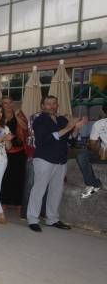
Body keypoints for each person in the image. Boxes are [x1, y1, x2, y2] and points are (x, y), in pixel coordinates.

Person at [27, 95, 86, 232]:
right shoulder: (39, 120)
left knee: (56, 191)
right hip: (44, 159)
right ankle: (32, 219)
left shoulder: (62, 119)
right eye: (48, 104)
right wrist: (68, 127)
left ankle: (52, 219)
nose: (52, 106)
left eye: (54, 103)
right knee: (39, 190)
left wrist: (76, 128)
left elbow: (70, 140)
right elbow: (43, 140)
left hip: (60, 159)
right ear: (42, 106)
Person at [0, 97, 28, 209]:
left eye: (10, 102)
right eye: (5, 103)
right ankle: (4, 201)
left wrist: (16, 116)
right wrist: (4, 122)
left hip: (19, 151)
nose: (8, 105)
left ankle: (18, 202)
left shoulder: (19, 114)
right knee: (5, 177)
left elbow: (26, 127)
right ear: (2, 105)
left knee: (19, 177)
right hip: (4, 151)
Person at [76, 104, 107, 198]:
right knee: (82, 156)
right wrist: (98, 148)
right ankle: (93, 184)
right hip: (103, 154)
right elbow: (92, 146)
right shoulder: (99, 124)